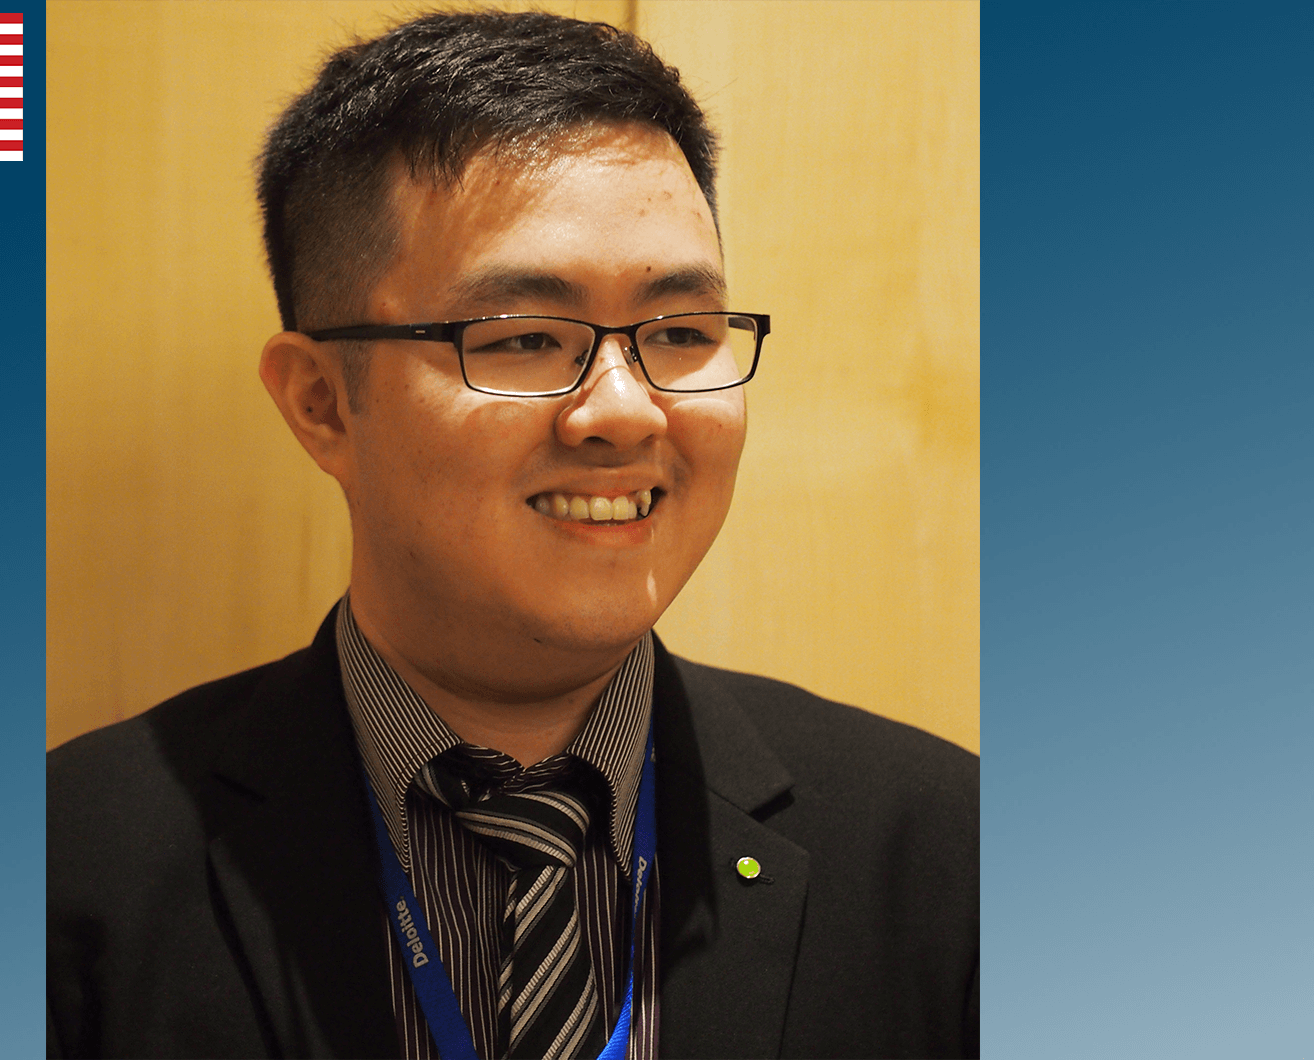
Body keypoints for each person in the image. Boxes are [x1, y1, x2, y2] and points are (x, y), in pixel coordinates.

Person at [47, 11, 977, 1059]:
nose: (623, 410)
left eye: (678, 333)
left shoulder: (947, 853)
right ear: (319, 403)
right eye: (526, 338)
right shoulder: (67, 873)